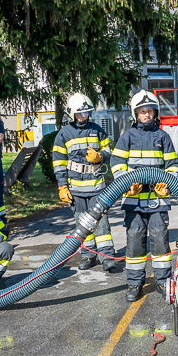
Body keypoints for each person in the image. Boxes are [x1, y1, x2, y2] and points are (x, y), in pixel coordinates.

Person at [110, 90, 178, 302]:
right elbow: (116, 164)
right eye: (142, 111)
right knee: (135, 242)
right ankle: (134, 283)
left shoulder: (163, 137)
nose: (146, 114)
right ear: (135, 113)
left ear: (155, 113)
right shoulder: (127, 137)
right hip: (133, 200)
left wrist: (167, 184)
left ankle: (163, 281)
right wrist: (126, 185)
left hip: (157, 200)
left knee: (160, 241)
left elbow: (173, 165)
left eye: (150, 111)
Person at [52, 93, 118, 273]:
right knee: (81, 223)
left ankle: (107, 257)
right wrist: (62, 186)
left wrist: (100, 156)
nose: (85, 116)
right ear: (72, 113)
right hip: (76, 188)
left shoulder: (97, 130)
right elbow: (59, 162)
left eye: (87, 112)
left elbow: (108, 151)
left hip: (97, 186)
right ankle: (88, 256)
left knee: (101, 222)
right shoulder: (64, 134)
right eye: (81, 113)